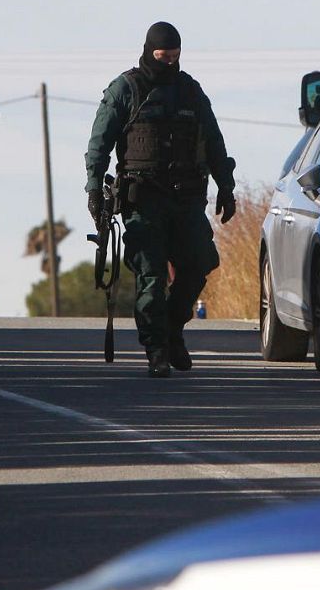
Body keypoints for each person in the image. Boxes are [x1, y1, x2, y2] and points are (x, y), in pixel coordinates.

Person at [85, 21, 236, 378]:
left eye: (174, 57)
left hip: (187, 199)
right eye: (162, 57)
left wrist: (226, 188)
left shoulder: (191, 92)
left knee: (199, 263)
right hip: (144, 200)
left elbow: (214, 143)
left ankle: (172, 330)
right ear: (148, 52)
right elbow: (99, 143)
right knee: (151, 276)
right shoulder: (126, 89)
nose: (169, 63)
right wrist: (94, 188)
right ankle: (156, 349)